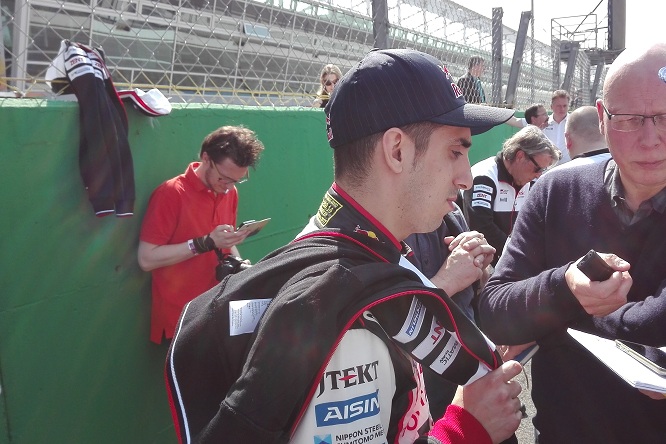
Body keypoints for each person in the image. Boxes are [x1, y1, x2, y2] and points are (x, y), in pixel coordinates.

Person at [166, 49, 525, 444]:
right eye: (456, 151)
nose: (465, 178)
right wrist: (466, 428)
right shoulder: (344, 314)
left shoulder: (353, 258)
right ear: (397, 151)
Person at [478, 42, 666, 443]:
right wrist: (565, 286)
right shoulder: (555, 193)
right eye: (631, 120)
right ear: (602, 118)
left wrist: (568, 315)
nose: (651, 139)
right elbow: (495, 309)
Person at [138, 125, 264, 344]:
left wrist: (240, 262)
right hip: (183, 317)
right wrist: (203, 243)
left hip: (218, 309)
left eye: (237, 180)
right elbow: (146, 259)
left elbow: (221, 243)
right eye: (224, 178)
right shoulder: (171, 193)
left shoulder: (229, 191)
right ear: (206, 158)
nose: (228, 187)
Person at [404, 205, 495, 419]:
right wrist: (447, 281)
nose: (466, 180)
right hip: (419, 391)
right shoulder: (366, 230)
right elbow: (375, 318)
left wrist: (480, 260)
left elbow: (478, 285)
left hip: (471, 369)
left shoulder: (451, 212)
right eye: (448, 168)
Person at [462, 125, 560, 265]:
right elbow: (481, 226)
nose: (539, 175)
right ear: (520, 156)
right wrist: (516, 253)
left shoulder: (530, 182)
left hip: (507, 260)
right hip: (477, 261)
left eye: (543, 170)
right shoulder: (485, 177)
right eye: (537, 168)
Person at [542, 89, 571, 163]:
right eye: (558, 106)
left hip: (568, 166)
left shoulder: (574, 122)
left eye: (565, 106)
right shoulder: (543, 123)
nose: (562, 109)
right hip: (548, 167)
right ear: (551, 106)